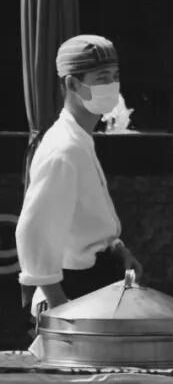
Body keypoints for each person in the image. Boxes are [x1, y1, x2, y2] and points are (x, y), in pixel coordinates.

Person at [16, 34, 144, 318]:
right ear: (72, 84)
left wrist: (118, 250)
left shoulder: (80, 140)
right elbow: (34, 231)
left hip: (96, 283)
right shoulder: (64, 149)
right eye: (101, 78)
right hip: (73, 291)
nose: (111, 86)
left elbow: (85, 222)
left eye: (115, 76)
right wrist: (59, 305)